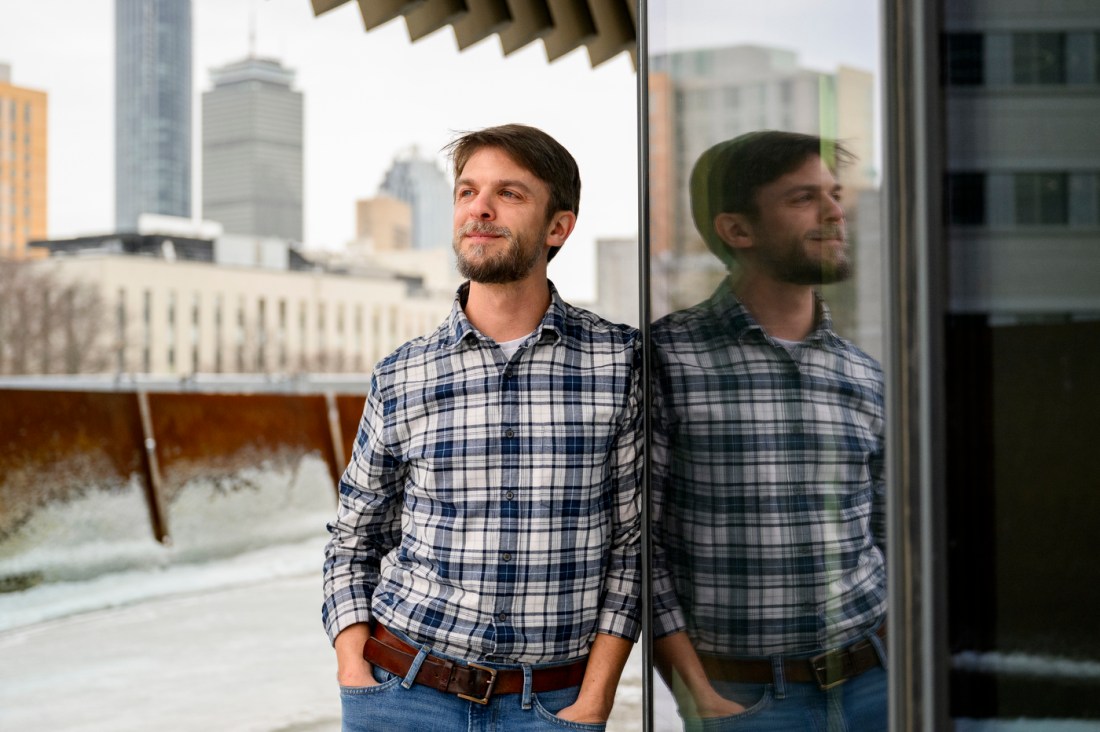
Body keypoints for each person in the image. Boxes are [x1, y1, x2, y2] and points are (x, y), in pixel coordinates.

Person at [322, 124, 642, 732]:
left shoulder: (620, 363)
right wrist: (353, 669)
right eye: (467, 192)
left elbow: (632, 551)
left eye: (509, 194)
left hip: (552, 706)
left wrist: (593, 701)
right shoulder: (402, 373)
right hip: (401, 692)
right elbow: (352, 540)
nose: (480, 209)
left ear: (558, 227)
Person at [651, 130, 887, 730]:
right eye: (803, 197)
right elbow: (639, 552)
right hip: (745, 699)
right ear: (738, 229)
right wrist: (698, 691)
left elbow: (889, 530)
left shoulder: (863, 373)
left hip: (877, 684)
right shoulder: (665, 360)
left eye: (833, 194)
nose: (836, 211)